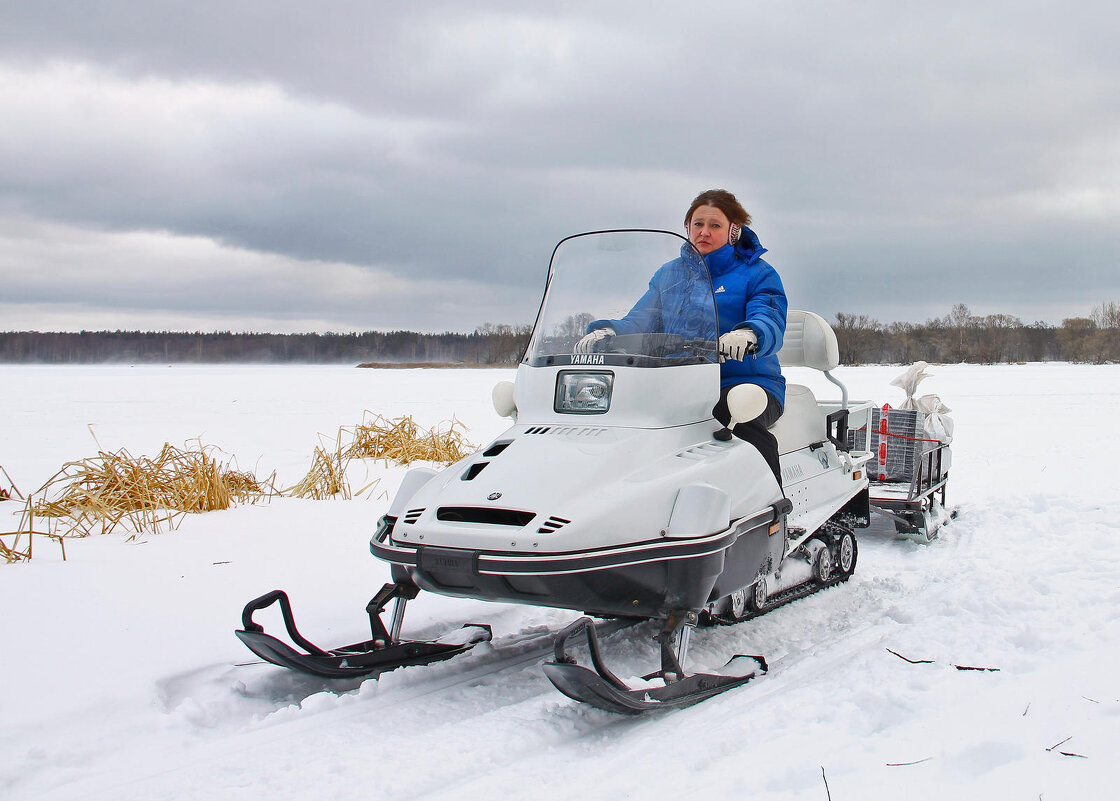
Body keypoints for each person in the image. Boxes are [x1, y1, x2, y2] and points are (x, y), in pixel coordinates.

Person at [576, 189, 787, 483]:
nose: (704, 232)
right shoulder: (669, 275)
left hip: (744, 384)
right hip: (678, 383)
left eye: (715, 225)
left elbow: (769, 315)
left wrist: (749, 333)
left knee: (735, 419)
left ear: (733, 231)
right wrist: (610, 330)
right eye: (698, 224)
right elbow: (641, 319)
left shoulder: (758, 274)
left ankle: (772, 509)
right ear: (687, 227)